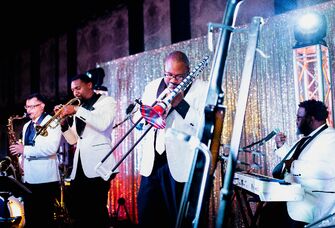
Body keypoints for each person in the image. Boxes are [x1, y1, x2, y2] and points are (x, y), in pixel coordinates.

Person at [134, 51, 208, 227]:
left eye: (178, 76)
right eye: (168, 75)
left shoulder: (203, 88)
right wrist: (146, 114)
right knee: (148, 215)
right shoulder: (153, 86)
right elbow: (139, 118)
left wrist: (181, 105)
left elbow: (204, 126)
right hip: (152, 165)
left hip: (182, 165)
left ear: (188, 71)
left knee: (181, 221)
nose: (173, 80)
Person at [260, 99, 335, 228]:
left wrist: (293, 165)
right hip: (294, 197)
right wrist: (281, 146)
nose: (296, 121)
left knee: (271, 215)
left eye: (299, 118)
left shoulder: (331, 137)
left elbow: (329, 169)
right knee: (267, 213)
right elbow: (293, 158)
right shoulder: (307, 138)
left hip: (311, 202)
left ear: (311, 119)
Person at [55, 74, 118, 227]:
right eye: (72, 90)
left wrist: (76, 110)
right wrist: (63, 125)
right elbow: (74, 140)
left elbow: (102, 124)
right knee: (79, 212)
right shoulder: (81, 108)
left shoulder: (107, 101)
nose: (75, 93)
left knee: (96, 211)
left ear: (89, 85)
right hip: (80, 167)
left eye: (78, 88)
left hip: (99, 165)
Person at [9, 93, 62, 227]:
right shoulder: (27, 125)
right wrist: (20, 160)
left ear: (42, 106)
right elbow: (27, 147)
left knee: (45, 220)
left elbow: (51, 148)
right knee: (32, 219)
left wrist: (24, 150)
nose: (29, 110)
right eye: (27, 107)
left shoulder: (53, 122)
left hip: (46, 180)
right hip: (29, 179)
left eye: (33, 106)